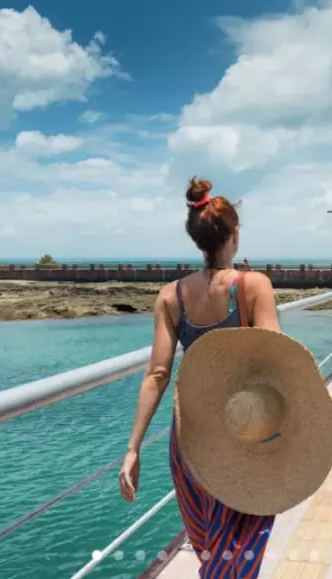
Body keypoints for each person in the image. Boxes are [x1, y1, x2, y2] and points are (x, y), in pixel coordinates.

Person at [119, 176, 282, 577]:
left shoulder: (171, 296)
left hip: (190, 440)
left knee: (212, 547)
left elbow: (157, 374)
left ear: (197, 240)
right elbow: (277, 360)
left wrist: (133, 448)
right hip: (243, 434)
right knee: (238, 550)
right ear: (233, 236)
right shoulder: (253, 286)